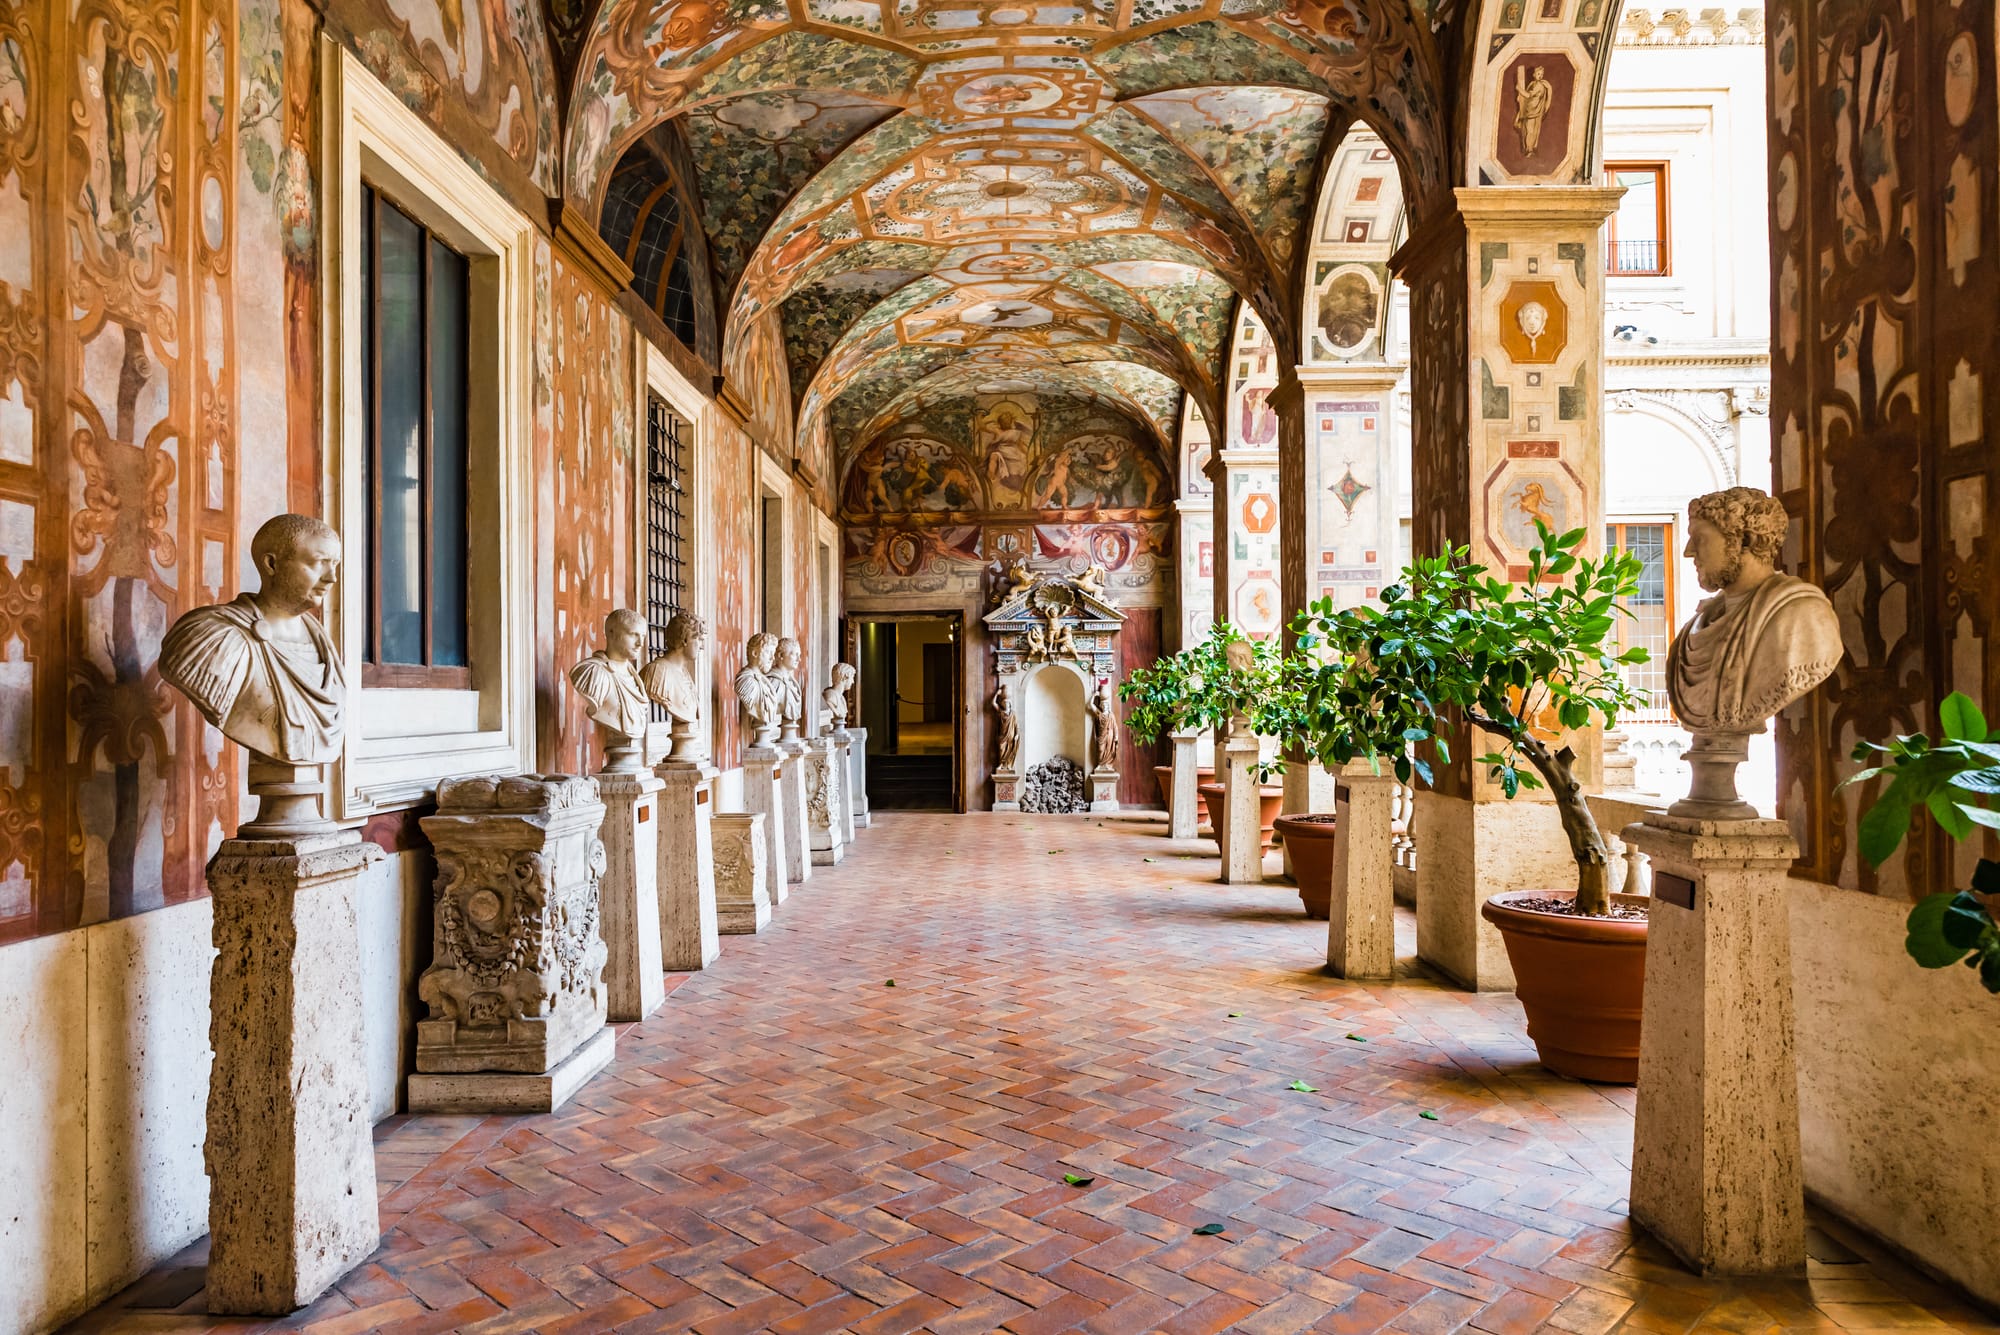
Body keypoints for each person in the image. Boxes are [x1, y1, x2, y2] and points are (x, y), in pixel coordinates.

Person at [159, 513, 345, 765]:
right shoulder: (212, 637)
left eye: (334, 564)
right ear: (271, 564)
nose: (331, 578)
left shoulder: (324, 646)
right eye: (318, 562)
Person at [568, 609, 652, 769]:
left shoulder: (635, 678)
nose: (640, 643)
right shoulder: (594, 673)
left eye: (643, 636)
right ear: (612, 633)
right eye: (633, 634)